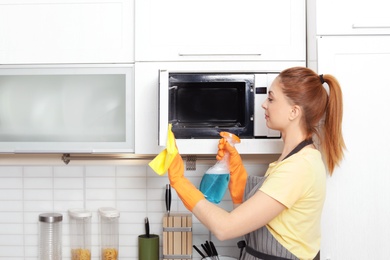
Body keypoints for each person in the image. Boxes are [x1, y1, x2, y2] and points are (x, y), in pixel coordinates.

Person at [167, 66, 346, 260]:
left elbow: (225, 228)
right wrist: (236, 172)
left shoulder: (299, 167)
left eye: (271, 98)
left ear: (294, 112)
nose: (263, 105)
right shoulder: (291, 161)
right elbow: (252, 219)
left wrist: (179, 182)